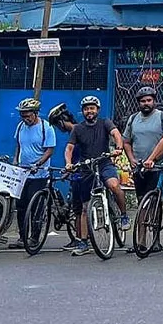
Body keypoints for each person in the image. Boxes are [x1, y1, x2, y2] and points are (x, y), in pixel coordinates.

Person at [65, 95, 127, 256]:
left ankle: (124, 216)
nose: (89, 111)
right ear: (83, 111)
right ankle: (83, 243)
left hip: (104, 163)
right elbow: (69, 148)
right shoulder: (78, 128)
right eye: (86, 109)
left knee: (114, 186)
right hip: (87, 168)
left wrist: (119, 148)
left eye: (92, 108)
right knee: (86, 207)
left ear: (97, 110)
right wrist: (68, 163)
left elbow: (116, 134)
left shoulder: (105, 122)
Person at [9, 98, 56, 250]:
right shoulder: (21, 126)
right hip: (23, 173)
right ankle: (23, 238)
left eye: (28, 115)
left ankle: (34, 238)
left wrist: (38, 164)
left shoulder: (46, 127)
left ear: (35, 114)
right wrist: (15, 160)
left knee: (35, 206)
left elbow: (49, 150)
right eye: (23, 116)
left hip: (39, 174)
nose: (25, 118)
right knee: (21, 206)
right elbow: (18, 145)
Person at [121, 87, 163, 205]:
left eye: (149, 100)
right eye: (143, 101)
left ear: (154, 101)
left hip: (158, 166)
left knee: (153, 200)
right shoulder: (133, 118)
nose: (146, 103)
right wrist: (131, 159)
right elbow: (126, 141)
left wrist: (154, 158)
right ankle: (142, 223)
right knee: (141, 200)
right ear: (139, 103)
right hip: (139, 167)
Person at [47, 103, 81, 250]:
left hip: (81, 172)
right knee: (74, 204)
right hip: (75, 170)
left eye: (57, 124)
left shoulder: (76, 131)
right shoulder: (74, 132)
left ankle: (80, 238)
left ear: (61, 121)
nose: (57, 128)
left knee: (78, 207)